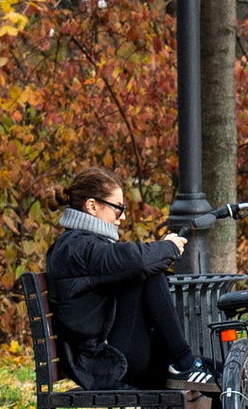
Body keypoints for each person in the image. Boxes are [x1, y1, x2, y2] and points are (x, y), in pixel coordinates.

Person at [44, 167, 202, 390]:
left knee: (215, 373)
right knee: (149, 275)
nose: (123, 217)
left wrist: (162, 251)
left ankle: (187, 365)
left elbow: (132, 262)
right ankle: (184, 361)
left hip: (106, 357)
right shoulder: (77, 248)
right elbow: (138, 262)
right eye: (118, 209)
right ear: (91, 206)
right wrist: (169, 247)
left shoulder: (83, 244)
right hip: (104, 364)